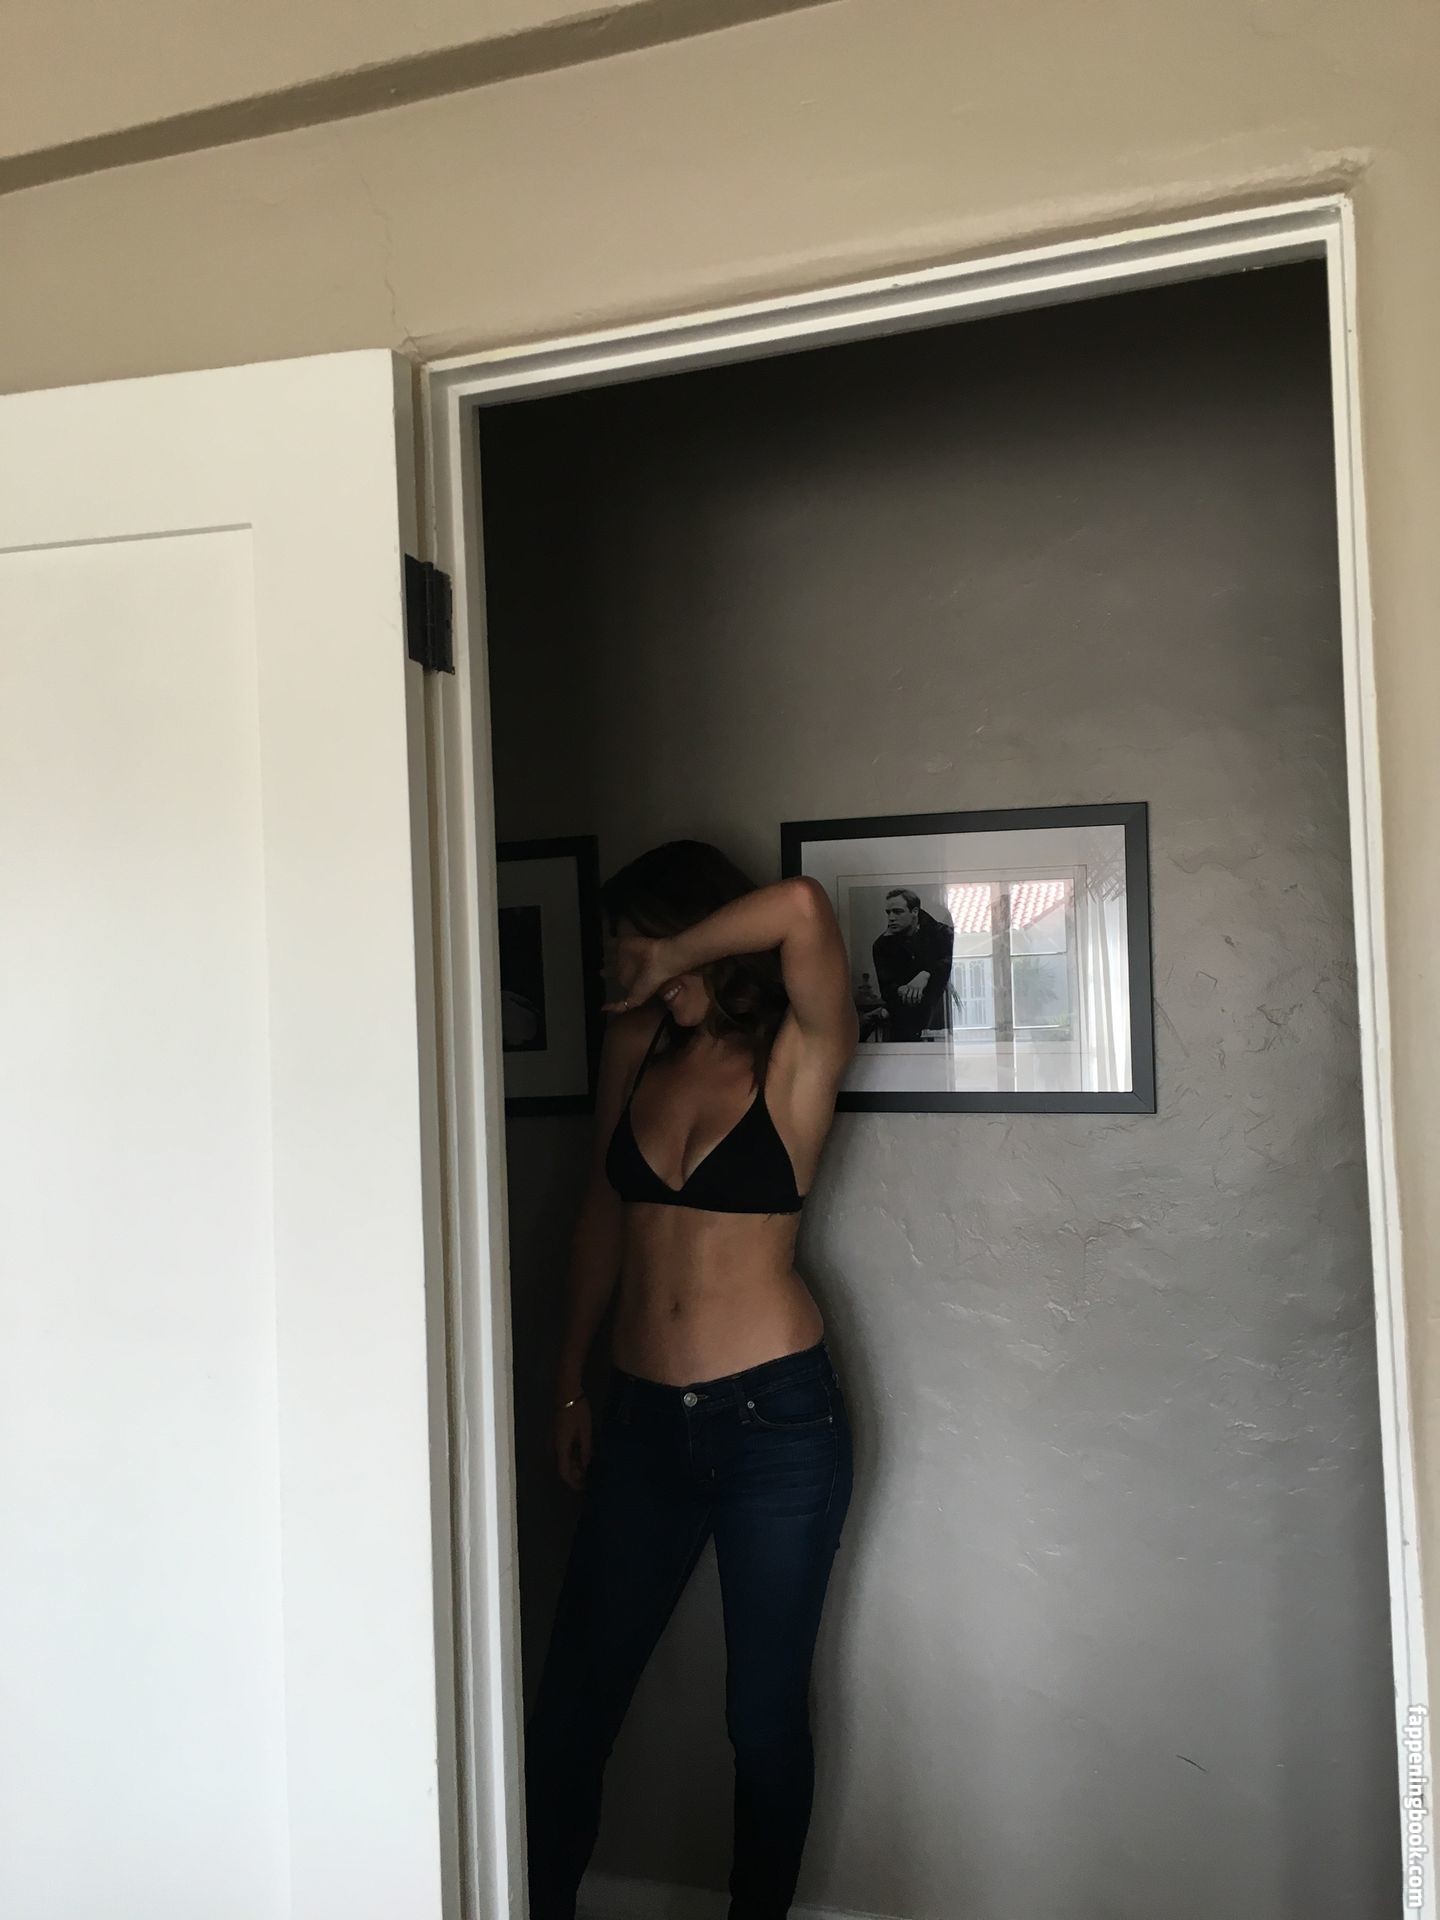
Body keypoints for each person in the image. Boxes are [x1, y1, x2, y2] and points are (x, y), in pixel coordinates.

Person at [522, 839, 860, 1920]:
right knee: (573, 1707)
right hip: (640, 1424)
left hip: (777, 1426)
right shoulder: (636, 1047)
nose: (622, 969)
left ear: (693, 933)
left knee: (761, 1719)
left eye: (636, 944)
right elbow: (599, 1214)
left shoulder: (798, 1052)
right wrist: (569, 1382)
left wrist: (669, 954)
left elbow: (802, 907)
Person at [870, 887, 954, 1040]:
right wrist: (903, 990)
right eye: (888, 912)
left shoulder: (943, 934)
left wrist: (926, 974)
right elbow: (887, 989)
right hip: (902, 1023)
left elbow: (950, 963)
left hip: (939, 1020)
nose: (891, 918)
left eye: (898, 912)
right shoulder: (882, 945)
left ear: (915, 912)